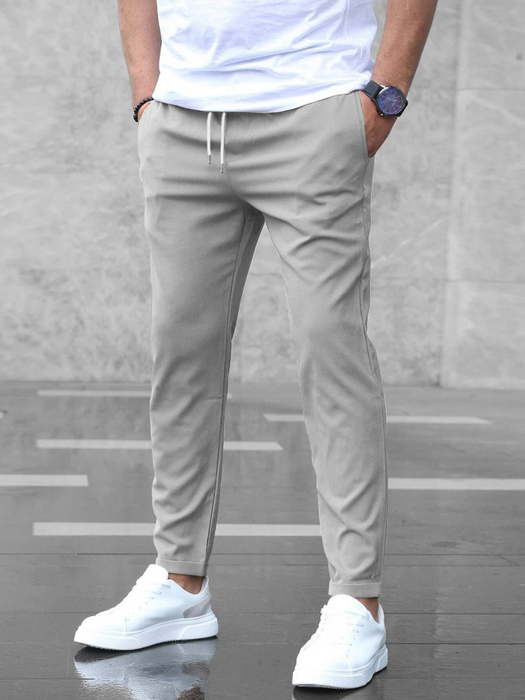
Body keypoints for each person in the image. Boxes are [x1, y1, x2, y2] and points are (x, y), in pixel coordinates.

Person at [74, 0, 438, 689]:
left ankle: (356, 601)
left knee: (331, 352)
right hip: (182, 122)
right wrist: (148, 96)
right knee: (180, 356)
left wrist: (383, 96)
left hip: (314, 110)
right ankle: (179, 583)